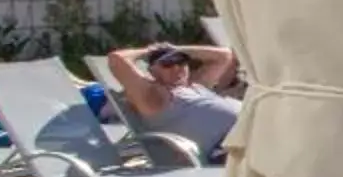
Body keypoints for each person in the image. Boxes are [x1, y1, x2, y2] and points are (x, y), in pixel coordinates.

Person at [103, 42, 244, 158]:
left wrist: (177, 49)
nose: (176, 68)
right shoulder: (154, 96)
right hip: (226, 150)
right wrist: (149, 51)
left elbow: (225, 55)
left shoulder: (196, 85)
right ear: (152, 71)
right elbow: (116, 59)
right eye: (167, 64)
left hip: (245, 134)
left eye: (181, 62)